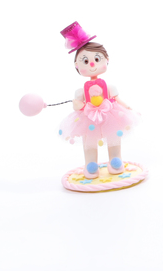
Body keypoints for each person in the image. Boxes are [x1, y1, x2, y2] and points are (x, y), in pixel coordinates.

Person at [57, 22, 139, 177]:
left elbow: (117, 98)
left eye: (97, 59)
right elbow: (77, 105)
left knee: (113, 136)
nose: (92, 64)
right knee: (89, 141)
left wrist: (126, 106)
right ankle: (91, 165)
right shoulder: (81, 91)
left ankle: (115, 160)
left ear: (107, 59)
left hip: (110, 115)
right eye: (85, 61)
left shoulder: (109, 87)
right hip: (88, 118)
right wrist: (77, 105)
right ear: (76, 65)